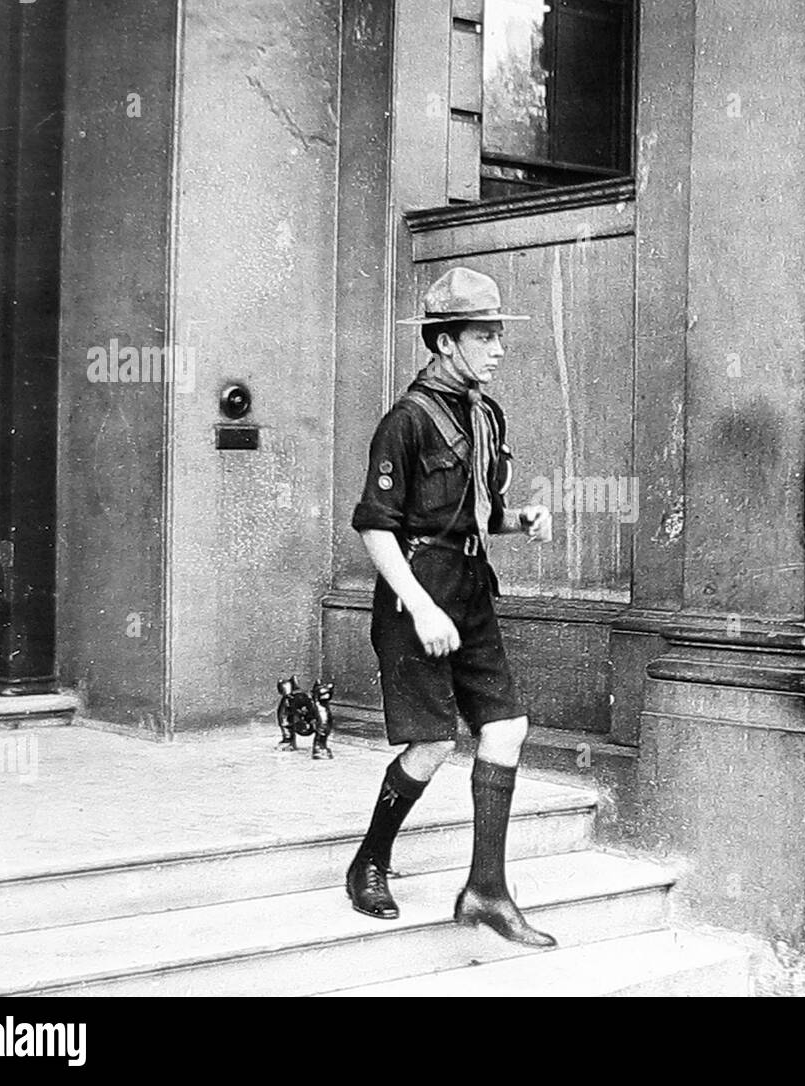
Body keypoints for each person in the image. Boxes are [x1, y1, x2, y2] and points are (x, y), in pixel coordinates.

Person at [346, 266, 556, 948]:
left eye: (498, 335)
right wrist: (420, 607)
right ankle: (370, 860)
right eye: (482, 336)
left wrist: (518, 521)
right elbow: (378, 527)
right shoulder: (405, 423)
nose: (496, 348)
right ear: (442, 343)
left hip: (469, 590)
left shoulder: (485, 414)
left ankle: (486, 892)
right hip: (416, 594)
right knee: (433, 743)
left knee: (506, 728)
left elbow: (476, 516)